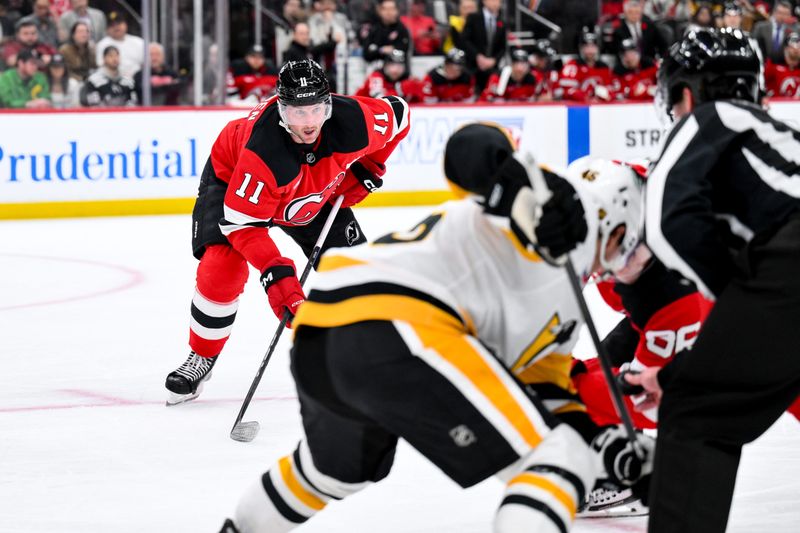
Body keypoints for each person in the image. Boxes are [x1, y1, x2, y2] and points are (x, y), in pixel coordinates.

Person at [218, 122, 653, 533]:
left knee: (332, 473)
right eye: (628, 242)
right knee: (558, 457)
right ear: (611, 218)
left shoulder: (568, 300)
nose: (628, 259)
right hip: (396, 319)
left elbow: (545, 390)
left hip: (327, 322)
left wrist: (608, 446)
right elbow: (470, 149)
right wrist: (533, 191)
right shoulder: (538, 197)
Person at [532, 27, 800, 533]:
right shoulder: (772, 137)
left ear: (683, 93)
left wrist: (727, 310)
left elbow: (671, 221)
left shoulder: (703, 121)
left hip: (783, 272)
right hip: (781, 284)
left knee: (697, 416)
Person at [164, 60, 411, 405]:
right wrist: (278, 277)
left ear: (328, 104)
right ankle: (202, 355)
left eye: (316, 110)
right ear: (280, 109)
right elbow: (243, 226)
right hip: (233, 180)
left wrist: (370, 167)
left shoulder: (353, 120)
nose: (309, 123)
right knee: (221, 267)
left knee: (356, 272)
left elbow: (399, 113)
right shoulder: (262, 151)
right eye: (297, 113)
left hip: (313, 189)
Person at [460, 0, 506, 94]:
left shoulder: (501, 21)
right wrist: (478, 56)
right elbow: (465, 40)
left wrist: (494, 60)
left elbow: (503, 46)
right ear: (484, 1)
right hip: (473, 66)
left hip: (492, 68)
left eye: (499, 1)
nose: (496, 3)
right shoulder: (473, 17)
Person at [557, 29, 613, 102]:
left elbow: (611, 88)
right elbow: (567, 91)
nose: (590, 50)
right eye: (586, 47)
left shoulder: (603, 67)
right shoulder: (572, 66)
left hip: (600, 107)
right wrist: (586, 98)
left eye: (593, 47)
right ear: (581, 49)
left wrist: (606, 95)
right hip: (578, 107)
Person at [354, 48, 422, 101]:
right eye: (392, 65)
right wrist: (399, 90)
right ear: (385, 66)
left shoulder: (405, 78)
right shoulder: (376, 76)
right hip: (360, 111)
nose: (395, 70)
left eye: (400, 66)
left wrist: (416, 91)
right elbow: (379, 100)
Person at [95, 11, 144, 79]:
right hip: (113, 80)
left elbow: (146, 64)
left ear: (125, 25)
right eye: (112, 25)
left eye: (119, 24)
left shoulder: (139, 42)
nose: (116, 27)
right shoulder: (102, 45)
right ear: (107, 29)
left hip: (137, 80)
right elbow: (101, 66)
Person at [765, 31, 800, 98]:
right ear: (786, 48)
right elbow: (762, 83)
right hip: (776, 105)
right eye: (793, 46)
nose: (796, 50)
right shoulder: (773, 63)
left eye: (799, 47)